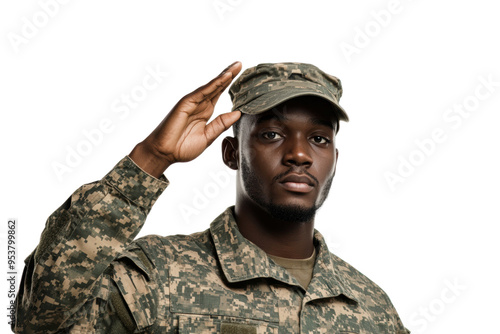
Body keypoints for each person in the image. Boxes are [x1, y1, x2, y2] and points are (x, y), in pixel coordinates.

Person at [12, 61, 410, 333]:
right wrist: (151, 159)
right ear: (231, 153)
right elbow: (39, 321)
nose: (300, 154)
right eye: (272, 134)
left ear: (334, 160)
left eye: (319, 139)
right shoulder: (155, 276)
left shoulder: (372, 308)